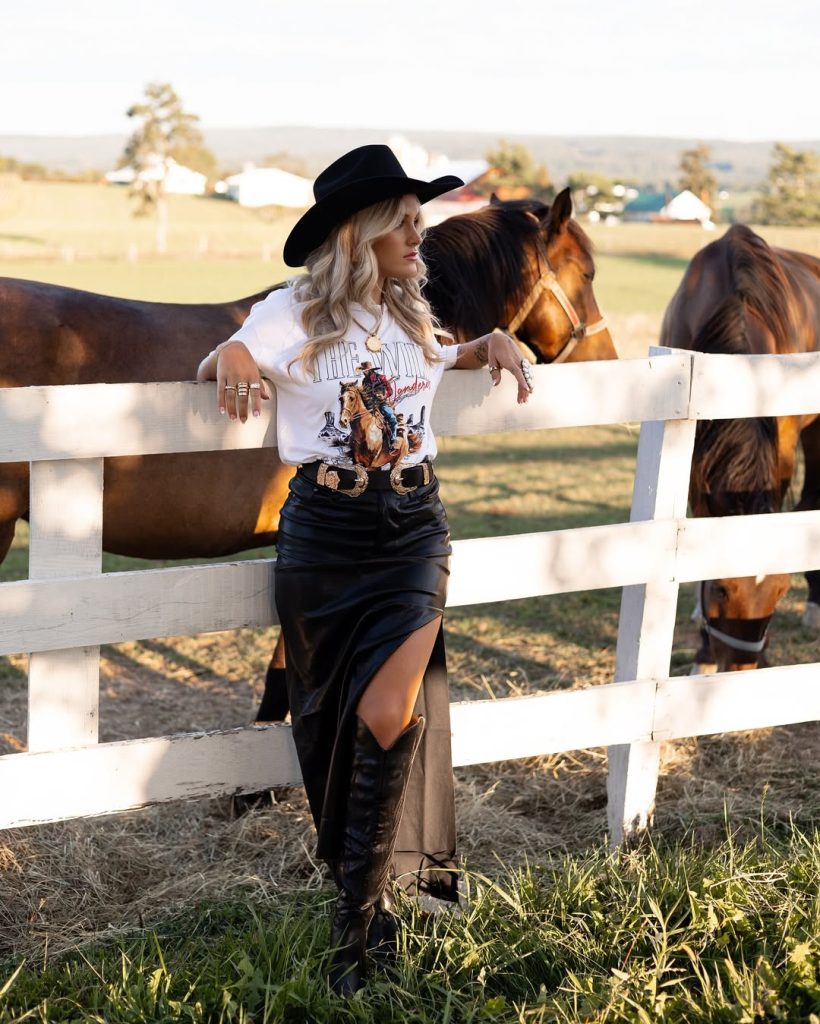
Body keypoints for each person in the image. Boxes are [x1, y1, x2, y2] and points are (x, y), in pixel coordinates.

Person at [197, 144, 534, 996]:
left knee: (388, 710)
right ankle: (367, 907)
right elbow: (226, 357)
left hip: (415, 531)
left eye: (421, 220)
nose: (421, 235)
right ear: (362, 233)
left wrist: (488, 341)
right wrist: (230, 357)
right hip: (324, 535)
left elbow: (440, 358)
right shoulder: (292, 312)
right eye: (405, 223)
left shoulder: (412, 312)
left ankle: (352, 926)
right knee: (322, 727)